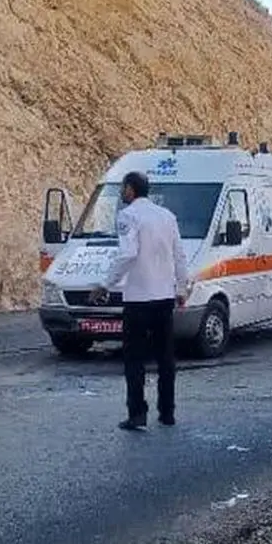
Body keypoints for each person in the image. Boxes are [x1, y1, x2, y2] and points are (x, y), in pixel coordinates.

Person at [90, 171, 188, 431]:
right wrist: (182, 288)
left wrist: (105, 284)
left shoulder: (128, 216)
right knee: (165, 358)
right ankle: (167, 412)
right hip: (164, 296)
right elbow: (180, 255)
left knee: (134, 359)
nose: (123, 193)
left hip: (138, 299)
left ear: (131, 190)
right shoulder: (167, 217)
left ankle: (137, 413)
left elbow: (127, 254)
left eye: (124, 188)